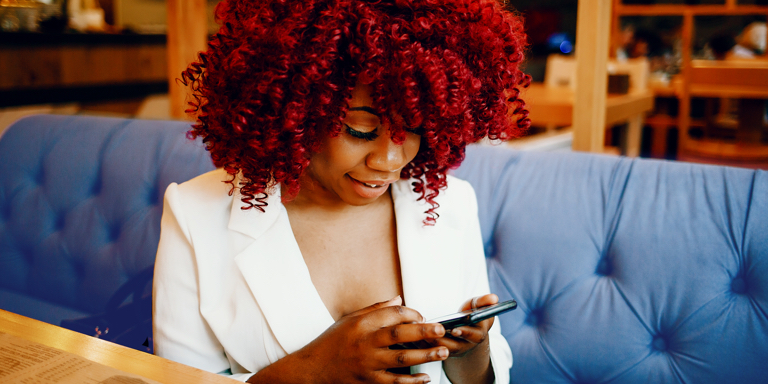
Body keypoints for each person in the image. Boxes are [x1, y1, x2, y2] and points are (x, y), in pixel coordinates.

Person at [152, 0, 530, 383]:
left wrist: (473, 350)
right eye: (360, 130)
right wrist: (314, 371)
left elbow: (489, 373)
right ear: (296, 109)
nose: (389, 160)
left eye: (414, 128)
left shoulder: (449, 202)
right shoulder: (195, 215)